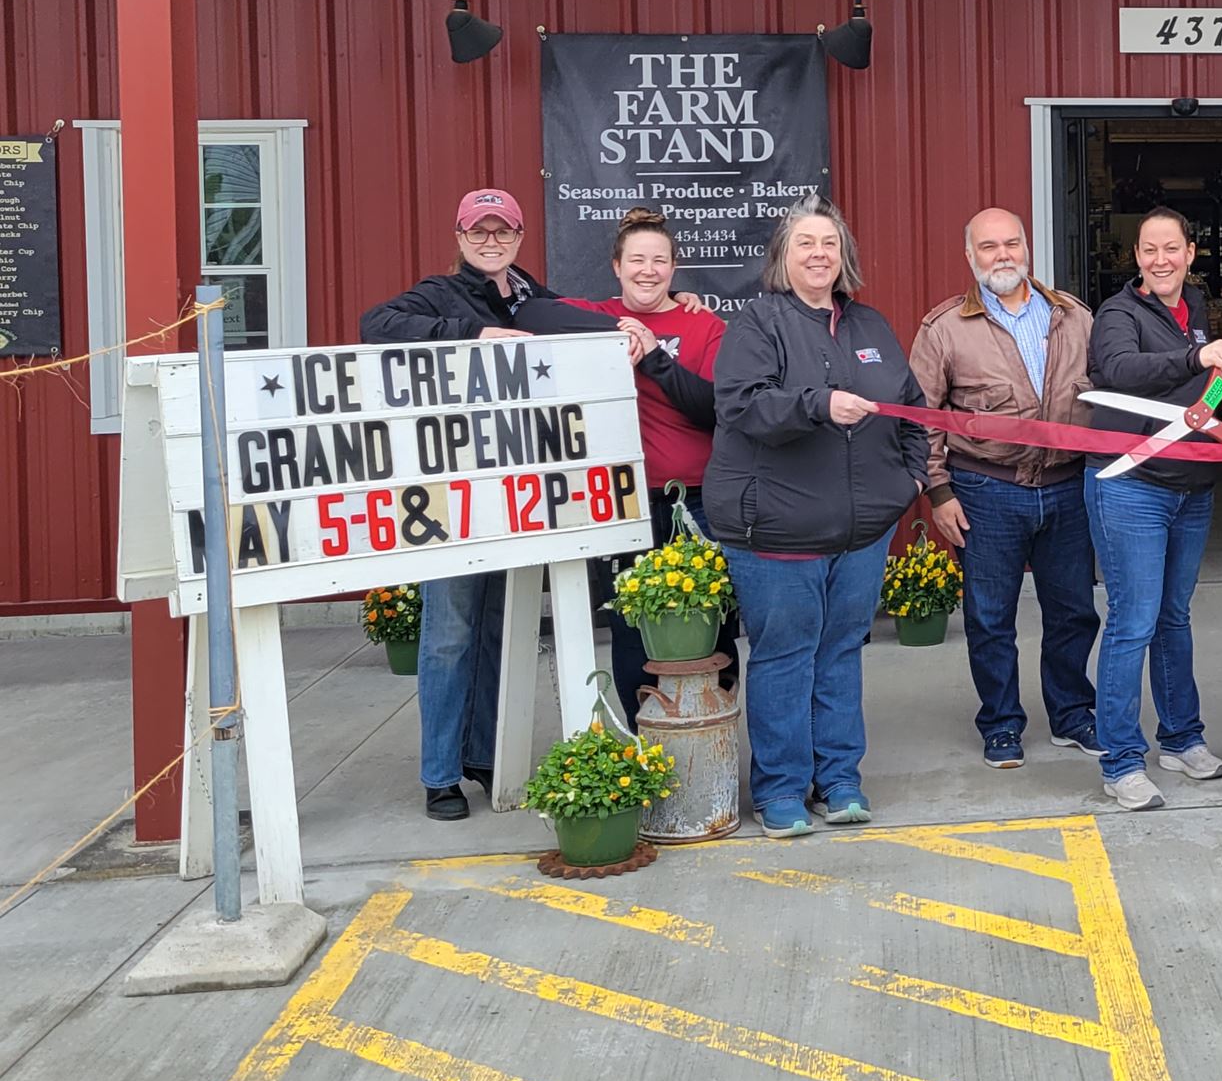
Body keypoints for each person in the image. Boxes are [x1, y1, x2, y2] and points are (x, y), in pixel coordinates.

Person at [361, 187, 626, 821]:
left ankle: (484, 754)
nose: (489, 240)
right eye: (477, 231)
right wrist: (475, 333)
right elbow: (377, 326)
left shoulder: (540, 300)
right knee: (448, 633)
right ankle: (440, 774)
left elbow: (595, 322)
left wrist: (659, 314)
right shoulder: (436, 295)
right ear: (459, 238)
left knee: (500, 631)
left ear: (518, 237)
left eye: (500, 231)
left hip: (515, 496)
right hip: (450, 495)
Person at [705, 196, 928, 839]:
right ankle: (779, 789)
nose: (819, 254)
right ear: (783, 255)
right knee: (784, 657)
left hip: (860, 531)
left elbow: (909, 406)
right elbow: (743, 406)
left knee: (840, 654)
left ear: (843, 256)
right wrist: (819, 404)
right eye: (805, 243)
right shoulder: (757, 324)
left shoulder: (870, 325)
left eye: (829, 243)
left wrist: (907, 482)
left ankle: (839, 779)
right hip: (778, 529)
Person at [909, 209, 1100, 770]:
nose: (1002, 255)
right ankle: (1000, 723)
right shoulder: (942, 329)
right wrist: (939, 493)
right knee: (990, 617)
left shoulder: (1074, 317)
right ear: (970, 257)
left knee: (1074, 612)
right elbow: (922, 419)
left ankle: (1072, 714)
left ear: (1027, 248)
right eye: (988, 246)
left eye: (1010, 243)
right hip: (986, 491)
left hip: (1067, 487)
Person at [1083, 207, 1222, 810]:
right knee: (1132, 621)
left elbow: (1205, 399)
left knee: (1173, 617)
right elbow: (1120, 371)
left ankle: (1179, 738)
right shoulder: (1118, 313)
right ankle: (1121, 761)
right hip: (1132, 485)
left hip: (1190, 487)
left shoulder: (1194, 309)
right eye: (1149, 250)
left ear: (1190, 252)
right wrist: (1192, 361)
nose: (1160, 260)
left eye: (1171, 248)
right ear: (1137, 257)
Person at [569, 205, 738, 727]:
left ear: (674, 267)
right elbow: (531, 314)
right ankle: (648, 740)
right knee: (629, 623)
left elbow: (713, 406)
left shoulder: (702, 324)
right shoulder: (593, 316)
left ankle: (713, 737)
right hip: (624, 498)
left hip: (697, 499)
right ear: (616, 266)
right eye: (636, 260)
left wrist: (653, 354)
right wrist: (613, 328)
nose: (648, 270)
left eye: (659, 261)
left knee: (714, 621)